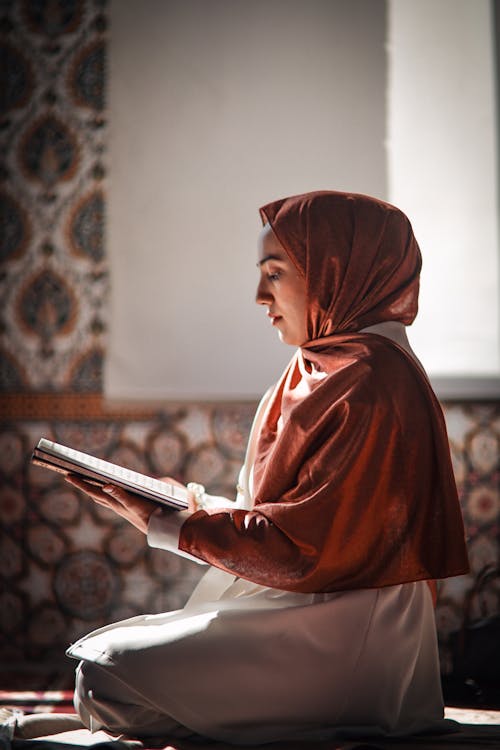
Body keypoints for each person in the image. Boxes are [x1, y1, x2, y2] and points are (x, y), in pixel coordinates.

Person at [41, 192, 473, 744]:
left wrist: (167, 524)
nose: (258, 296)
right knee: (104, 675)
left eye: (275, 274)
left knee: (107, 676)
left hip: (350, 628)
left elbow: (305, 551)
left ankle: (327, 716)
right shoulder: (315, 366)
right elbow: (279, 519)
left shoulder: (375, 382)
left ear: (336, 273)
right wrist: (182, 505)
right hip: (298, 606)